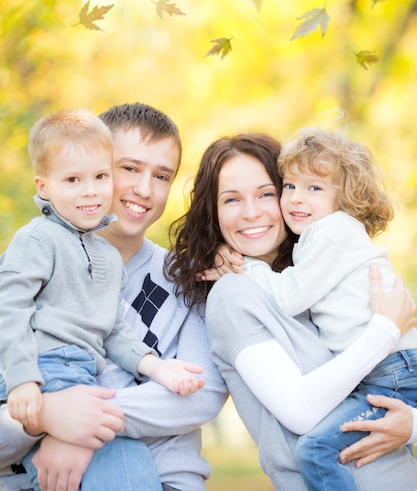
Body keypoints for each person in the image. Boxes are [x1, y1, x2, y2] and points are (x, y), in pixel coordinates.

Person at [165, 132, 417, 491]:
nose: (252, 212)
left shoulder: (314, 282)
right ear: (214, 212)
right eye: (232, 199)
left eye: (266, 193)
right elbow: (300, 411)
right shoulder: (236, 293)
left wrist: (411, 424)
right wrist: (385, 331)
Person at [0, 103, 228, 491]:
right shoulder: (28, 261)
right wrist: (45, 417)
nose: (144, 189)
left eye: (161, 176)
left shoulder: (185, 279)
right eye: (129, 168)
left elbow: (200, 394)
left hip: (161, 478)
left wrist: (81, 423)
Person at [239, 127, 417, 490]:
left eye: (314, 188)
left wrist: (246, 265)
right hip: (387, 366)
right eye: (289, 186)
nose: (296, 199)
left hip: (392, 371)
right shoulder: (323, 236)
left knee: (314, 449)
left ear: (345, 196)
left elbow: (289, 297)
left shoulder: (332, 232)